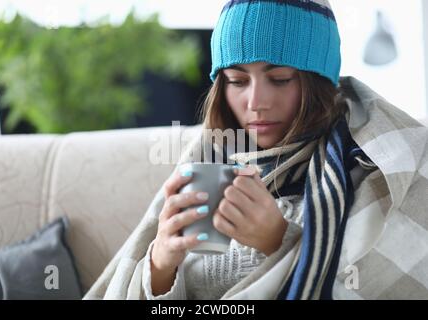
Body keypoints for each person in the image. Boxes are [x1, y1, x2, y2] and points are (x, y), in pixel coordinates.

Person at [84, 0, 428, 300]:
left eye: (279, 78)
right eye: (236, 81)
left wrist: (279, 241)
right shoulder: (210, 158)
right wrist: (161, 264)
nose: (256, 103)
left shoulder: (379, 168)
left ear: (319, 83)